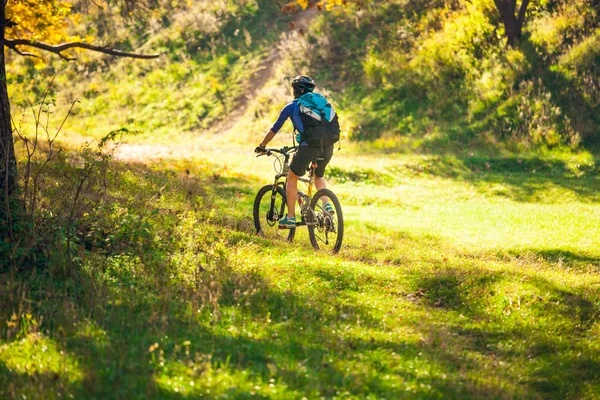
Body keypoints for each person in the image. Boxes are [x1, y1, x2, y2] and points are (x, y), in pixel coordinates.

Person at [255, 75, 335, 229]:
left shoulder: (292, 106)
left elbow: (274, 129)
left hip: (308, 147)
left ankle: (290, 217)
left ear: (295, 90)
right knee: (318, 177)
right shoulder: (321, 104)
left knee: (292, 178)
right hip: (328, 147)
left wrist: (262, 145)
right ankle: (327, 205)